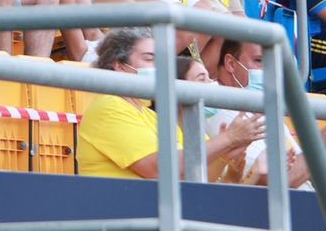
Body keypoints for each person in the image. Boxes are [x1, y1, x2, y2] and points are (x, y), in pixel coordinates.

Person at [76, 27, 261, 178]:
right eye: (149, 59)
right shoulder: (109, 106)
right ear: (119, 66)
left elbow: (197, 179)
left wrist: (223, 153)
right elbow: (160, 169)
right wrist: (227, 139)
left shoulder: (151, 115)